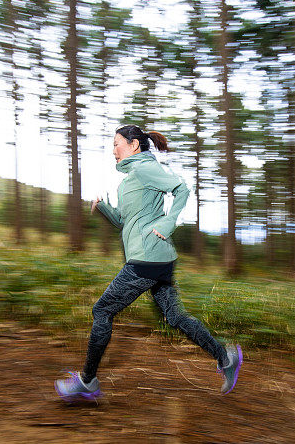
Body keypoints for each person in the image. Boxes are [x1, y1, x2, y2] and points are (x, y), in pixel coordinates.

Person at [54, 125, 242, 402]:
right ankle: (225, 357)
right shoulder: (131, 178)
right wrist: (104, 208)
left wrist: (167, 223)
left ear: (133, 145)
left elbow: (182, 188)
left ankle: (87, 381)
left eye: (117, 143)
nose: (113, 149)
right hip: (159, 258)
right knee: (175, 317)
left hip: (147, 259)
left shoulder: (144, 168)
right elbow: (124, 221)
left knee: (102, 310)